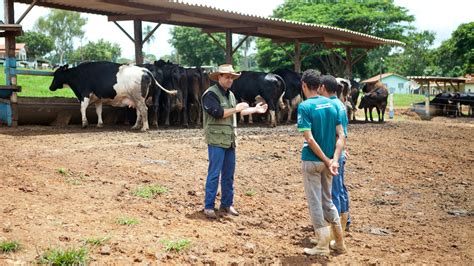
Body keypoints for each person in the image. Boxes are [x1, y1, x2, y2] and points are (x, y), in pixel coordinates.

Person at [201, 64, 268, 219]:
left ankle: (227, 204)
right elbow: (218, 113)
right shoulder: (210, 94)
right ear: (219, 77)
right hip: (217, 139)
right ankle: (209, 206)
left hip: (229, 139)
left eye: (232, 77)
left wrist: (255, 110)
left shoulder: (230, 94)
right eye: (227, 76)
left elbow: (237, 112)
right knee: (214, 173)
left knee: (228, 175)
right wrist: (237, 109)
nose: (230, 79)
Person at [297, 71, 347, 256]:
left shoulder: (305, 107)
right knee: (328, 200)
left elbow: (309, 139)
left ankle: (322, 244)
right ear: (319, 86)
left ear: (303, 85)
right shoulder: (333, 105)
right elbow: (341, 135)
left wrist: (325, 160)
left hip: (312, 161)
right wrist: (333, 159)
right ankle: (339, 242)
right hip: (330, 162)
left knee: (315, 203)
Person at [324, 79, 351, 232]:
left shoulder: (330, 106)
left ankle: (337, 227)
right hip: (339, 152)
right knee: (340, 188)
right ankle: (345, 220)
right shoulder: (341, 105)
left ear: (323, 87)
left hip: (333, 153)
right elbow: (343, 133)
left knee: (334, 190)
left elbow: (336, 133)